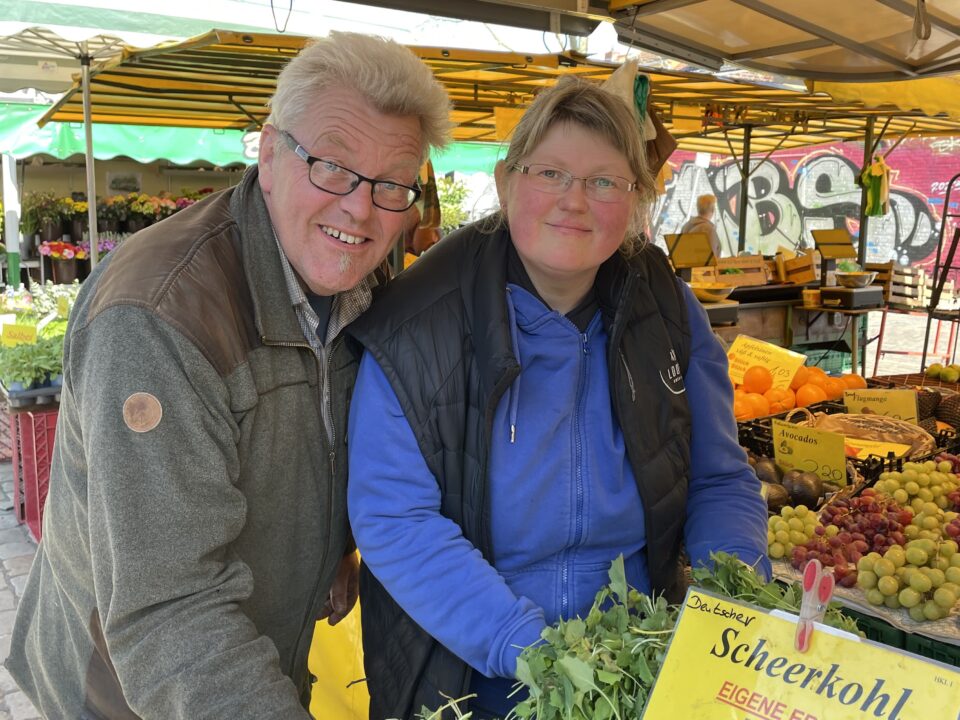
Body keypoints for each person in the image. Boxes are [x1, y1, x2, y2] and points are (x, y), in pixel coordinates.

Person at [7, 31, 449, 719]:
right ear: (270, 155)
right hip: (125, 688)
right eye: (332, 165)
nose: (360, 209)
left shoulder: (363, 277)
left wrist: (336, 543)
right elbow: (170, 610)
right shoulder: (158, 316)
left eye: (391, 184)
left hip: (263, 646)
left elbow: (334, 419)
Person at [346, 76, 769, 719]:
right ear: (504, 180)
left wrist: (731, 602)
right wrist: (539, 657)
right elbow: (394, 518)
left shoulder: (669, 312)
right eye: (550, 172)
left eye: (605, 181)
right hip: (471, 682)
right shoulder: (419, 322)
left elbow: (719, 477)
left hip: (639, 670)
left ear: (635, 200)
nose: (575, 201)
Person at [681, 192, 722, 260]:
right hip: (703, 270)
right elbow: (711, 258)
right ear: (712, 210)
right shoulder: (709, 229)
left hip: (687, 269)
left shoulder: (686, 226)